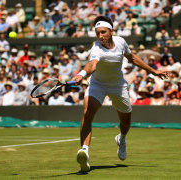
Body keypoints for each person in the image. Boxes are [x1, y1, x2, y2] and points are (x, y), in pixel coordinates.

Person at [71, 16, 168, 172]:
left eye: (103, 32)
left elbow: (133, 58)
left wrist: (154, 71)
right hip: (97, 85)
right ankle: (84, 152)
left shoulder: (121, 42)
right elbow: (92, 65)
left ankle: (121, 138)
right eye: (97, 33)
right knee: (87, 113)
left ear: (111, 31)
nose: (100, 36)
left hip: (118, 86)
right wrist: (82, 74)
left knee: (125, 123)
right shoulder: (96, 48)